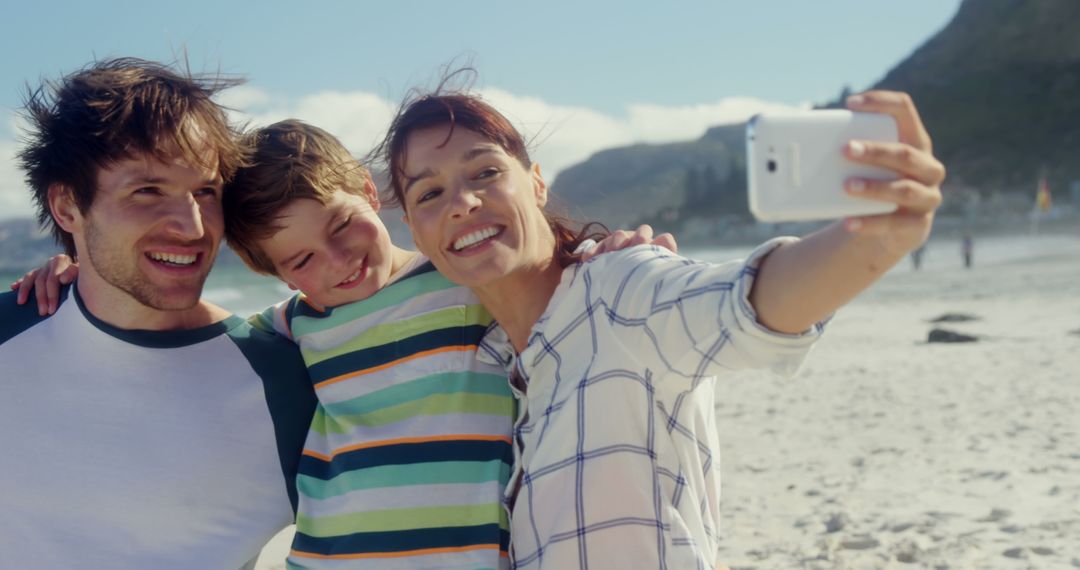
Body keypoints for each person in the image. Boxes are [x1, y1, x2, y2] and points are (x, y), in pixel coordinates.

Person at [12, 117, 675, 568]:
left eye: (341, 226)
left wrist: (606, 251)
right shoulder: (297, 325)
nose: (334, 263)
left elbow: (536, 271)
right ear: (275, 274)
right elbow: (210, 340)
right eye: (299, 261)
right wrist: (81, 272)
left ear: (368, 191)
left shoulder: (466, 286)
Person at [376, 88, 945, 568]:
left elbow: (746, 305)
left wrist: (875, 239)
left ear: (537, 182)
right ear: (413, 230)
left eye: (486, 171)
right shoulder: (492, 364)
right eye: (430, 193)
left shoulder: (620, 290)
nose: (463, 202)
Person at [0, 58, 317, 569]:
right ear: (66, 207)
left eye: (205, 192)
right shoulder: (9, 332)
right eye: (147, 190)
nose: (192, 227)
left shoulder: (283, 380)